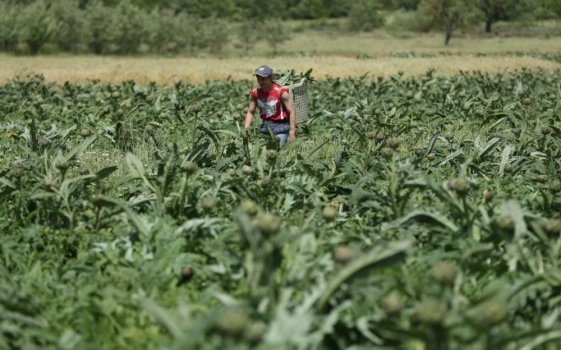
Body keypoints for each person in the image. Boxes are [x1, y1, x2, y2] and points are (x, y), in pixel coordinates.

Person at [243, 65, 296, 145]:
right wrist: (246, 130)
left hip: (280, 126)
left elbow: (292, 112)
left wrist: (292, 133)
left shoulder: (280, 92)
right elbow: (250, 112)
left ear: (270, 77)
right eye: (259, 79)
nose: (261, 81)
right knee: (258, 148)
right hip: (265, 127)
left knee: (277, 146)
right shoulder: (255, 93)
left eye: (263, 79)